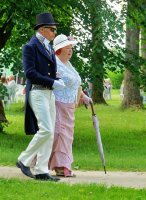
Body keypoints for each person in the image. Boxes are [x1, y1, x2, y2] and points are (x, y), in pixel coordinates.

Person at [16, 12, 65, 182]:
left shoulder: (49, 47)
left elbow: (48, 71)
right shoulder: (30, 47)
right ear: (42, 29)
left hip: (49, 93)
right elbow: (30, 73)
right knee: (46, 129)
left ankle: (41, 170)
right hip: (37, 92)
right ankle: (23, 160)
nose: (54, 33)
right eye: (52, 30)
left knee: (49, 133)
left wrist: (56, 79)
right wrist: (52, 81)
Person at [48, 34, 92, 177]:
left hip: (69, 107)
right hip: (57, 103)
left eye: (71, 48)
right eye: (67, 47)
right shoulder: (54, 63)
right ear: (59, 49)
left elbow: (74, 86)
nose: (70, 50)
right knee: (58, 134)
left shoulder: (69, 65)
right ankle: (57, 166)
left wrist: (84, 97)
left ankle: (61, 165)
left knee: (66, 136)